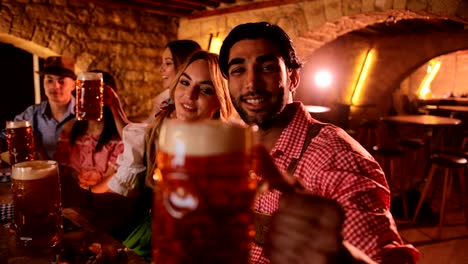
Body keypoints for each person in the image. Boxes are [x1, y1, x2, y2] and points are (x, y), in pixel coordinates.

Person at [219, 22, 420, 263]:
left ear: (293, 78)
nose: (252, 83)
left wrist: (341, 257)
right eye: (238, 70)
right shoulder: (236, 149)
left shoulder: (336, 157)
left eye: (267, 67)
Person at [91, 50, 236, 259]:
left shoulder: (227, 151)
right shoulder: (149, 137)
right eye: (185, 83)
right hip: (150, 242)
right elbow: (120, 199)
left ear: (219, 102)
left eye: (205, 89)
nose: (190, 95)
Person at [54, 70, 126, 191]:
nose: (86, 98)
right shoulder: (70, 131)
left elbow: (112, 181)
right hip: (74, 199)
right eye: (83, 93)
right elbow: (62, 173)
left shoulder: (118, 137)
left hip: (104, 202)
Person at [14, 56, 76, 159]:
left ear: (73, 85)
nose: (55, 86)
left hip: (79, 174)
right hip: (42, 173)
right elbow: (8, 134)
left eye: (61, 81)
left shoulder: (86, 114)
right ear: (43, 83)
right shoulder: (31, 114)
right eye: (49, 80)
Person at [145, 39, 202, 122]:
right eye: (162, 62)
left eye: (168, 63)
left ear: (183, 65)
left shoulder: (185, 103)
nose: (160, 69)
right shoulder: (165, 102)